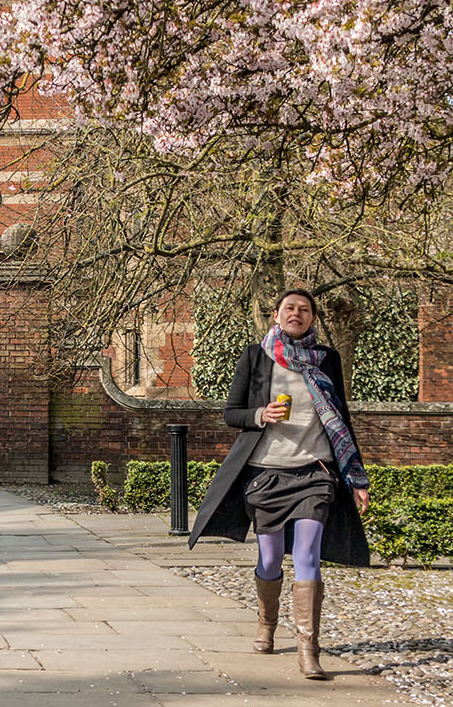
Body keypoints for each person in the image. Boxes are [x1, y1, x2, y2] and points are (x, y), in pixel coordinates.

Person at [189, 289, 371, 681]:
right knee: (270, 559)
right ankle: (267, 623)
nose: (297, 313)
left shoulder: (327, 360)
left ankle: (309, 649)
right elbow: (231, 413)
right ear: (276, 315)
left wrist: (356, 477)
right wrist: (260, 413)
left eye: (305, 309)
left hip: (315, 473)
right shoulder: (256, 357)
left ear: (313, 319)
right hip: (266, 473)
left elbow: (341, 419)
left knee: (308, 553)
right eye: (290, 308)